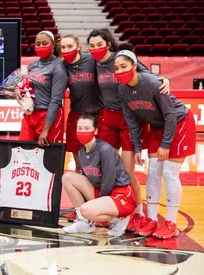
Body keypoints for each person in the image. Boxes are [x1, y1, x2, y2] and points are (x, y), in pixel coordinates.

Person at [87, 29, 171, 231]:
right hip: (108, 117)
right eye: (91, 45)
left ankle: (138, 212)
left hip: (129, 117)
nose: (96, 49)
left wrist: (166, 78)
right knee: (104, 165)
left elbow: (149, 76)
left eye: (100, 44)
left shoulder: (121, 59)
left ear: (108, 43)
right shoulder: (94, 63)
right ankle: (105, 209)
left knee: (127, 170)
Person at [116, 50, 195, 239]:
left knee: (169, 173)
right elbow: (132, 120)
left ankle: (171, 223)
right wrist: (136, 147)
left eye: (124, 66)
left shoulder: (151, 83)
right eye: (116, 68)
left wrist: (166, 145)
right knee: (152, 173)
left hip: (179, 123)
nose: (119, 71)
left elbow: (170, 114)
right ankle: (151, 220)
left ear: (134, 66)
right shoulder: (122, 89)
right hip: (158, 128)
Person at [61, 114, 137, 238]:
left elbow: (108, 182)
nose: (82, 131)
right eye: (79, 128)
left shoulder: (105, 150)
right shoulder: (81, 152)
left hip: (121, 194)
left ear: (95, 130)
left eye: (86, 128)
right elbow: (87, 179)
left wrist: (95, 204)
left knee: (87, 210)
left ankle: (120, 220)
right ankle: (84, 222)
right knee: (67, 177)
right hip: (102, 192)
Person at [60, 34, 103, 172]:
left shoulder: (91, 60)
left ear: (78, 47)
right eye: (63, 47)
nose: (66, 50)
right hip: (76, 114)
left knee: (98, 158)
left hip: (97, 114)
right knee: (78, 158)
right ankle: (80, 178)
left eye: (70, 46)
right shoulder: (62, 66)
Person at [16, 30, 67, 146]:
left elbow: (56, 100)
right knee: (24, 151)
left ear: (53, 44)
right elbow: (28, 84)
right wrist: (18, 89)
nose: (41, 46)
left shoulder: (58, 67)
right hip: (30, 114)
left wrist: (45, 130)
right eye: (38, 44)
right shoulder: (33, 65)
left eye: (45, 43)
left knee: (49, 157)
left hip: (49, 116)